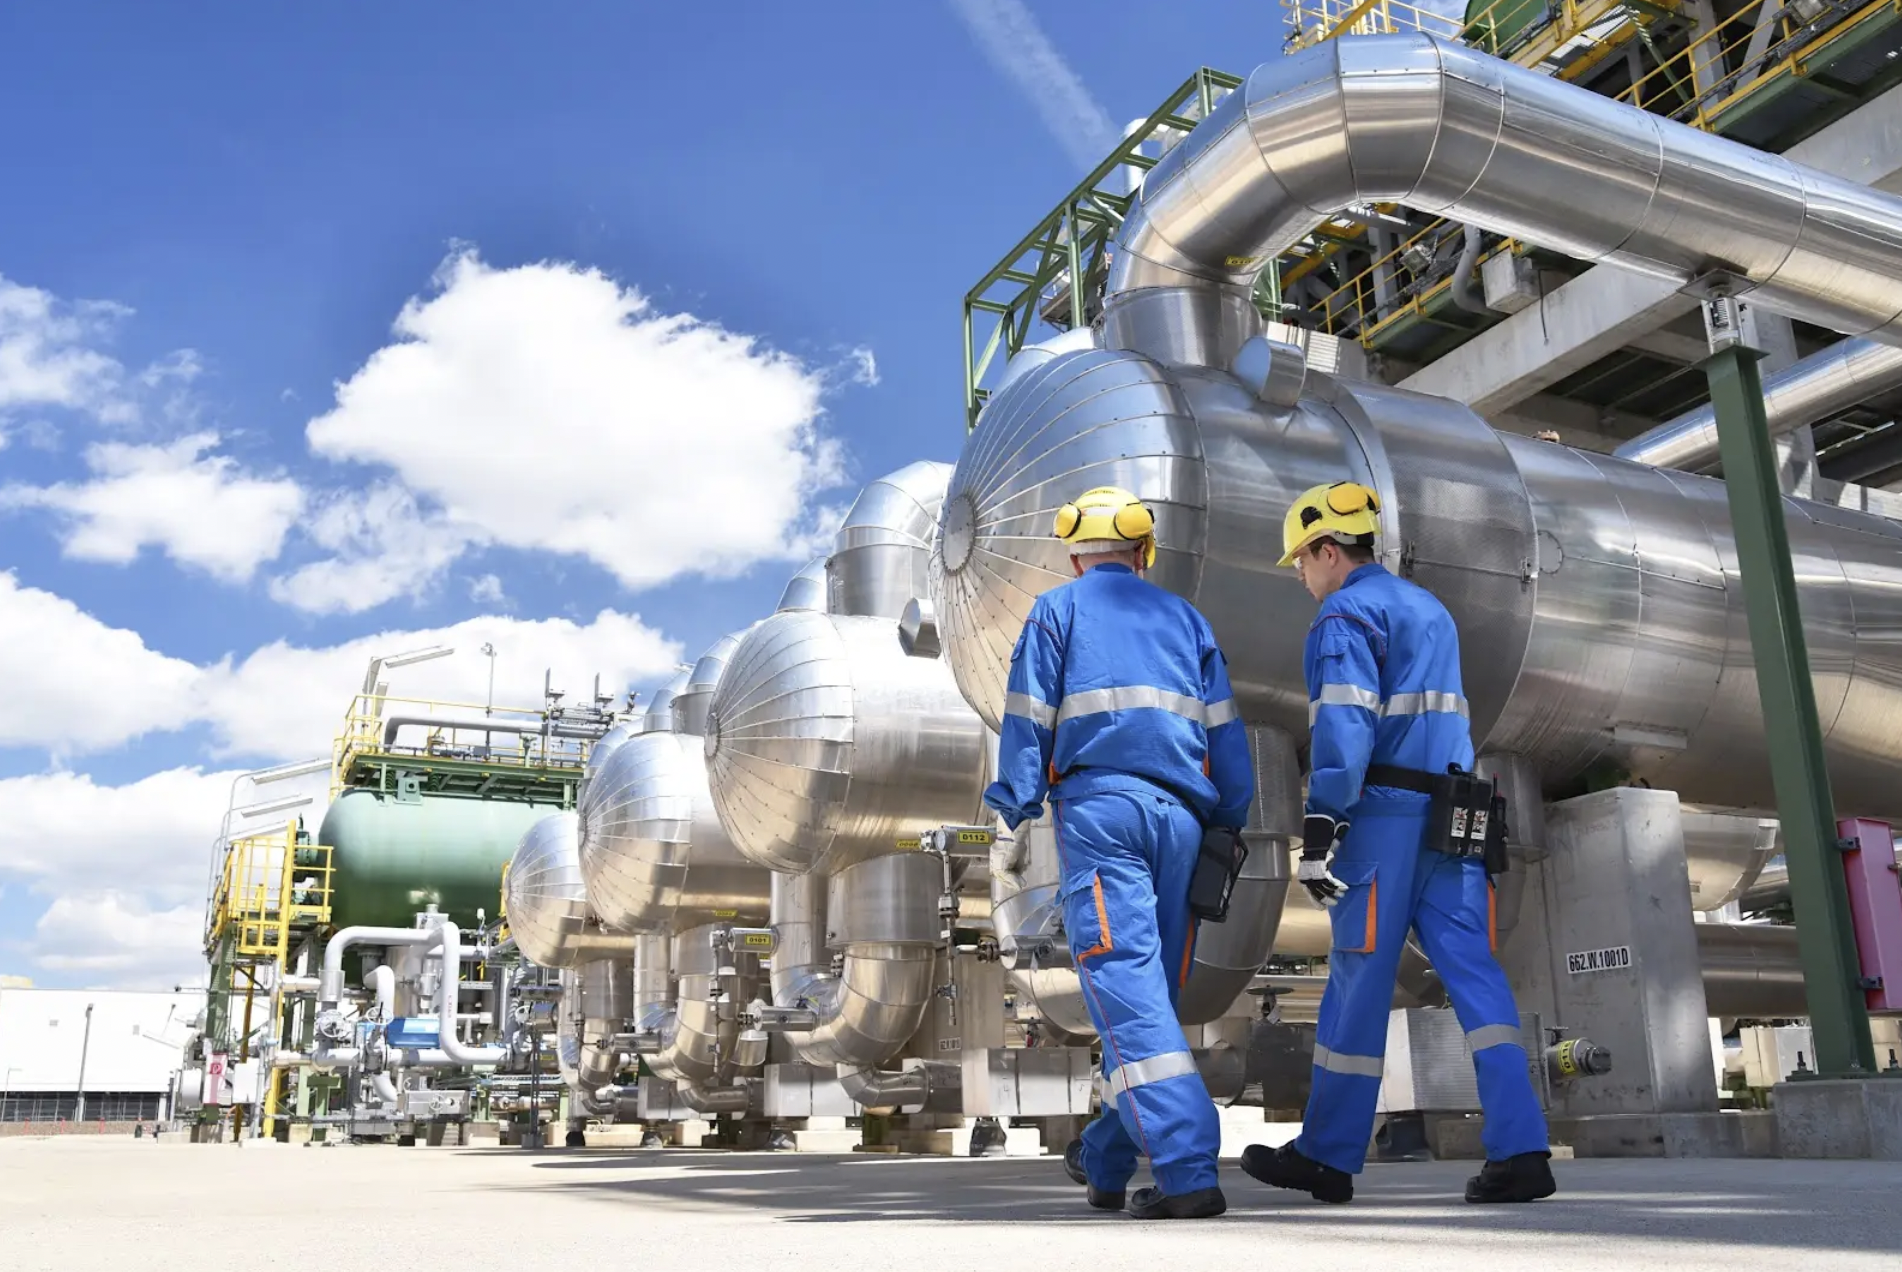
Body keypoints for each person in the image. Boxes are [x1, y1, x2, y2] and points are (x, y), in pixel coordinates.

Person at [1239, 480, 1554, 1206]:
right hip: (1455, 815)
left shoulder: (1344, 617)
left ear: (1328, 551)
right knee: (1475, 974)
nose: (1298, 575)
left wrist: (1322, 824)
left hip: (1382, 817)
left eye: (1300, 560)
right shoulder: (1429, 610)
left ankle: (1326, 1154)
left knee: (1358, 978)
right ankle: (1522, 1150)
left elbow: (1346, 730)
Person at [985, 485, 1254, 1221]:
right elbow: (1228, 735)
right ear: (1143, 552)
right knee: (1146, 1001)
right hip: (1186, 823)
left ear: (1075, 554)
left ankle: (1189, 1163)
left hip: (1104, 815)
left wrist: (1014, 797)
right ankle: (1104, 1159)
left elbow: (1027, 711)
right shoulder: (1186, 619)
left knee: (1127, 995)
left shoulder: (1057, 610)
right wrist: (1230, 820)